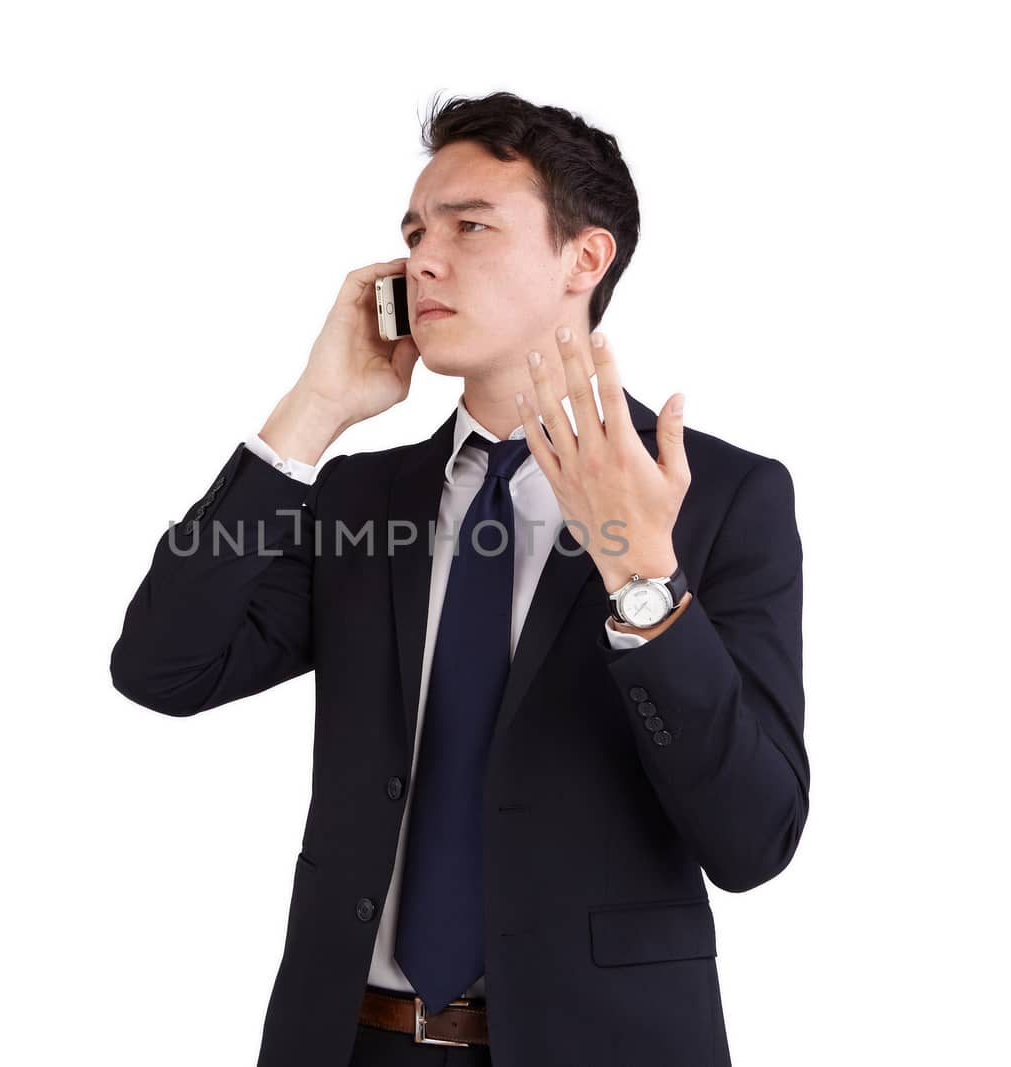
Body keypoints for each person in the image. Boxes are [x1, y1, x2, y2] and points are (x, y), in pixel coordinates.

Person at [110, 90, 808, 1067]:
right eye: (413, 231)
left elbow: (755, 836)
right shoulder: (361, 496)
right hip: (355, 1041)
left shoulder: (721, 496)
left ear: (584, 258)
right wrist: (311, 412)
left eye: (469, 226)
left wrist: (641, 577)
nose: (420, 259)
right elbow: (161, 666)